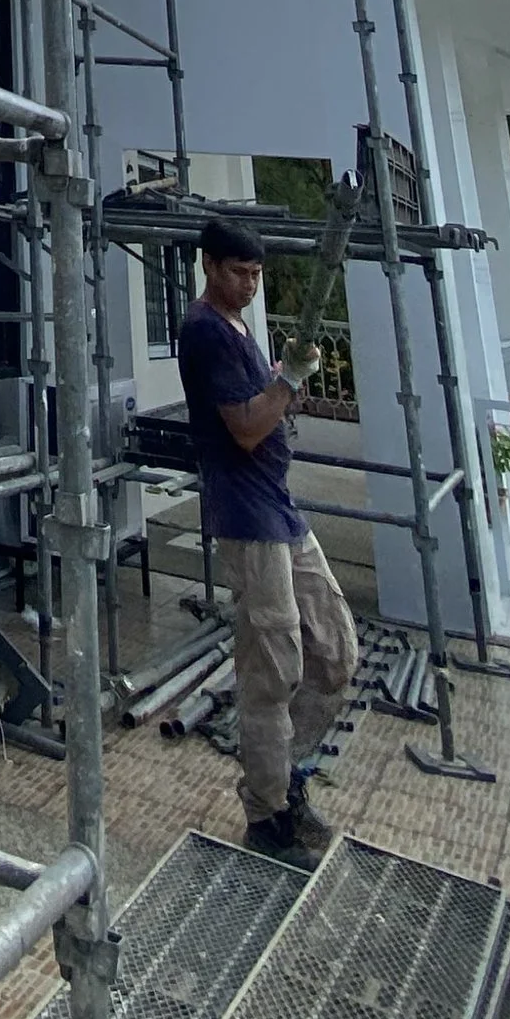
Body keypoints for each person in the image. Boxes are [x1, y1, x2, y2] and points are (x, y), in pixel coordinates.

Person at [176, 210, 360, 867]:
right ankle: (267, 815)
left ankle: (288, 773)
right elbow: (248, 427)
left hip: (279, 509)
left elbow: (267, 403)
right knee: (271, 670)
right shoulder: (203, 331)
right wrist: (286, 380)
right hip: (248, 520)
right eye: (239, 272)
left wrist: (288, 380)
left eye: (257, 273)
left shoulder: (239, 326)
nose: (251, 284)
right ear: (209, 266)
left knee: (335, 647)